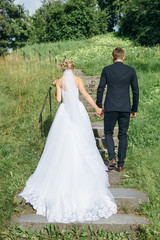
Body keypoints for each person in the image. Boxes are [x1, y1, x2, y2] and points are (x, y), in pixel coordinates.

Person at [19, 58, 117, 223]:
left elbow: (58, 100)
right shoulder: (78, 80)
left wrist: (57, 85)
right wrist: (97, 108)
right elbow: (85, 95)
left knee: (62, 144)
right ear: (73, 68)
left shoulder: (59, 81)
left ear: (62, 69)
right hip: (79, 112)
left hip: (64, 113)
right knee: (83, 142)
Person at [96, 47, 139, 172]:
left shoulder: (107, 70)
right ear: (123, 57)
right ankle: (120, 164)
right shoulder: (131, 70)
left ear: (112, 57)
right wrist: (134, 108)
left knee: (108, 132)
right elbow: (135, 91)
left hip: (110, 106)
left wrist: (99, 106)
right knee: (123, 135)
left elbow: (100, 88)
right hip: (125, 107)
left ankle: (112, 159)